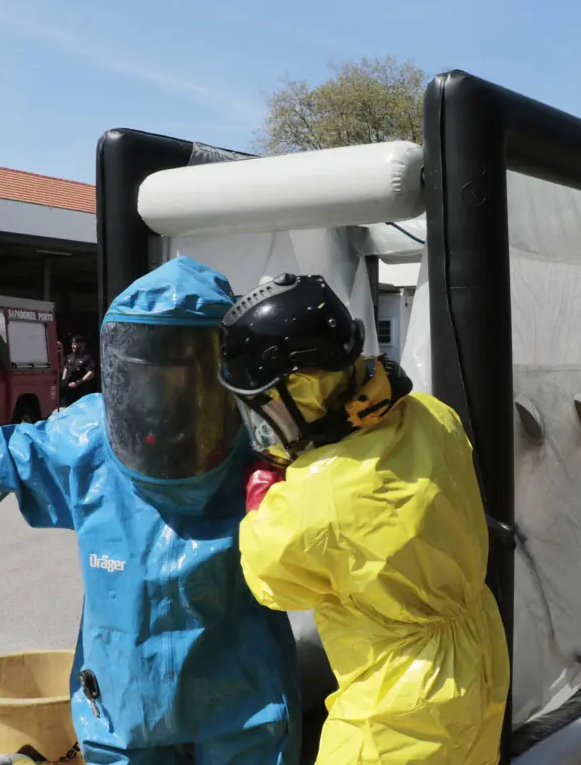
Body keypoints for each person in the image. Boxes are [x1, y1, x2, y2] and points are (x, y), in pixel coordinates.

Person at [0, 256, 302, 765]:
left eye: (182, 371)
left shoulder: (267, 441)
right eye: (153, 372)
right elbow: (4, 455)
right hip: (155, 701)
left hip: (222, 704)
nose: (166, 390)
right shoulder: (91, 439)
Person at [218, 272, 510, 764]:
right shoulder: (431, 415)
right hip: (479, 656)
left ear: (301, 390)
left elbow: (271, 582)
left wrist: (264, 496)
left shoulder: (318, 499)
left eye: (265, 404)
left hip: (398, 705)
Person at [61, 334, 96, 407]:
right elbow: (66, 367)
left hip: (81, 393)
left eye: (74, 344)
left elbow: (91, 373)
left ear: (82, 344)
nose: (72, 346)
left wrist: (78, 382)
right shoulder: (70, 356)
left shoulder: (87, 358)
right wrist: (63, 380)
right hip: (69, 392)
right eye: (72, 344)